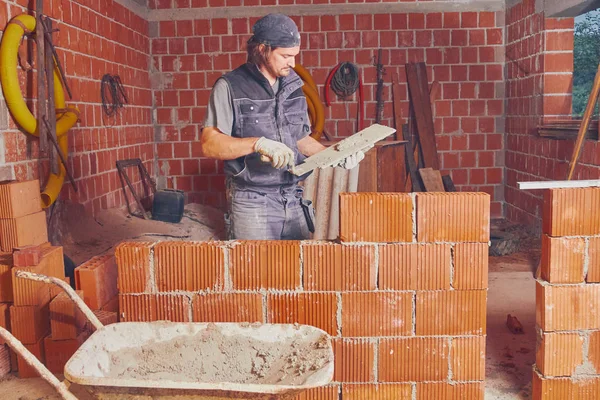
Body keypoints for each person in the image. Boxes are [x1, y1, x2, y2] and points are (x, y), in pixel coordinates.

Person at [200, 13, 365, 240]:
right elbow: (210, 144)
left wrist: (336, 155)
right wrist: (258, 144)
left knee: (297, 272)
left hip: (293, 196)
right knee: (255, 273)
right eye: (286, 56)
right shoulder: (230, 86)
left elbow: (300, 139)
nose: (293, 63)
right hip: (252, 200)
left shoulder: (294, 86)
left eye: (295, 55)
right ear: (262, 49)